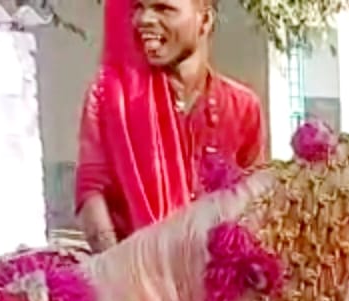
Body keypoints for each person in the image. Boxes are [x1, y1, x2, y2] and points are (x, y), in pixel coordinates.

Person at [75, 0, 265, 252]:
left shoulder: (242, 106)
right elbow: (91, 191)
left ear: (205, 21)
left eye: (163, 8)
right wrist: (125, 271)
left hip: (215, 275)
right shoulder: (111, 98)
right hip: (130, 274)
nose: (144, 20)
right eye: (139, 8)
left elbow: (255, 201)